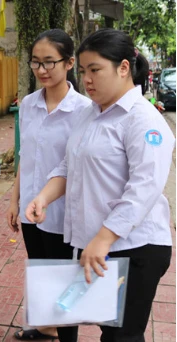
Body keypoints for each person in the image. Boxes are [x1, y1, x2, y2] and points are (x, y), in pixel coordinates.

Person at [25, 28, 174, 342]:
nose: (87, 79)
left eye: (95, 70)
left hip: (135, 247)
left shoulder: (143, 120)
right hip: (100, 246)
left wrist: (104, 238)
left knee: (123, 336)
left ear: (123, 68)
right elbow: (68, 165)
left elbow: (144, 188)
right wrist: (44, 196)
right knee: (110, 328)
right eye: (82, 71)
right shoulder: (89, 114)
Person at [5, 29, 91, 341]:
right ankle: (45, 328)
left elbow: (77, 167)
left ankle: (66, 335)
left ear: (69, 63)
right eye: (36, 63)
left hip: (63, 214)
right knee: (41, 271)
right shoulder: (27, 104)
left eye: (49, 63)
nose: (42, 70)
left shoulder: (84, 110)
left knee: (65, 279)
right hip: (30, 208)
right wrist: (14, 201)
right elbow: (24, 155)